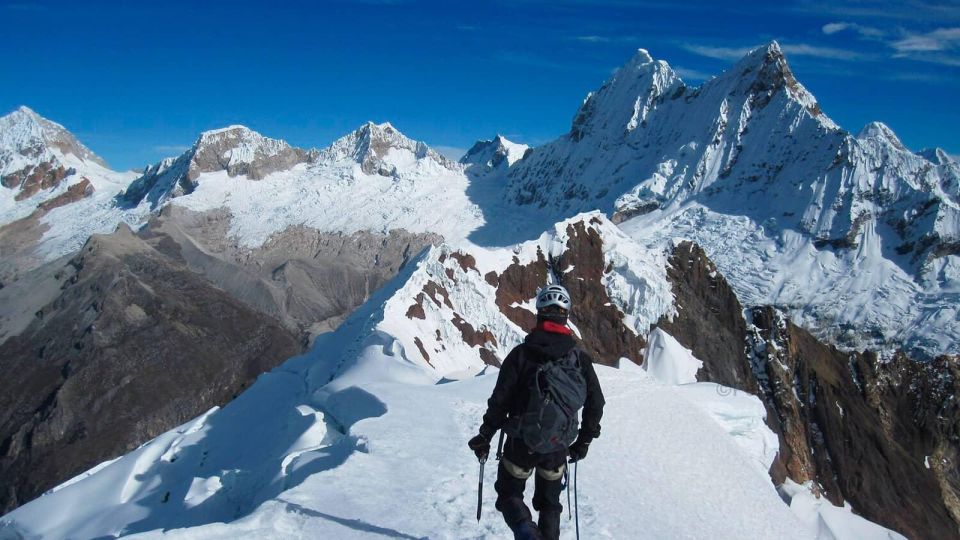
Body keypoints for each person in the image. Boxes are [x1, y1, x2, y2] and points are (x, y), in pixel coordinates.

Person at [468, 284, 605, 540]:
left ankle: (528, 535)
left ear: (539, 313)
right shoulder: (579, 359)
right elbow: (596, 403)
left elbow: (500, 401)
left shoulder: (521, 355)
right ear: (566, 315)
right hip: (558, 446)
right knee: (550, 504)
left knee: (509, 494)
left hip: (521, 443)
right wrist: (583, 442)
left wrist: (485, 435)